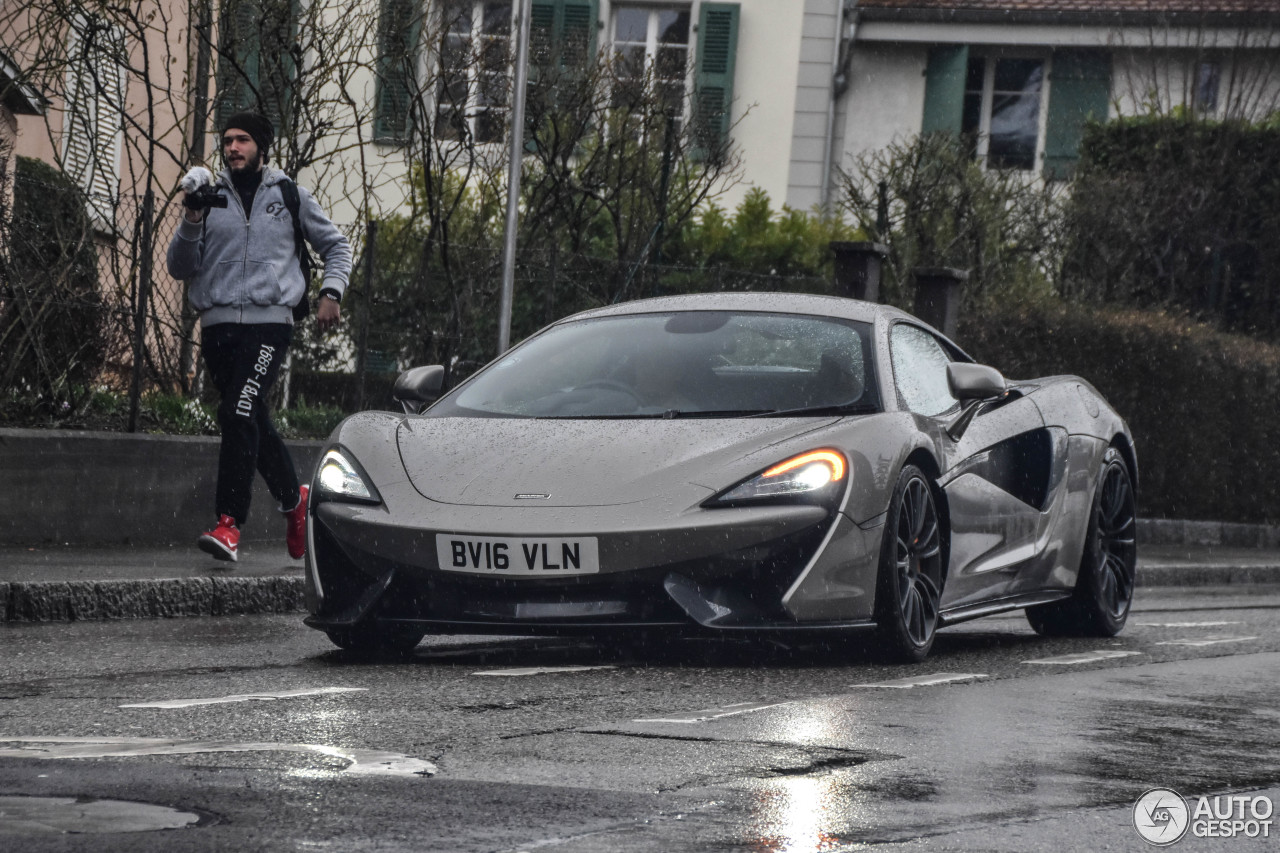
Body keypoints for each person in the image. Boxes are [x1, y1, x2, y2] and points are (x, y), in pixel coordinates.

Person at [166, 112, 352, 563]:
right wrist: (192, 217)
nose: (233, 148)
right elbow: (179, 267)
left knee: (237, 410)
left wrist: (332, 291)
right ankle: (295, 501)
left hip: (270, 324)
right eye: (228, 141)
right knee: (249, 418)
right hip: (218, 327)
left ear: (261, 146)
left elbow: (336, 245)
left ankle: (229, 524)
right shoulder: (208, 198)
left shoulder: (289, 195)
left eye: (243, 140)